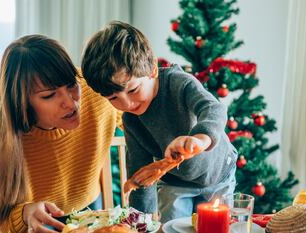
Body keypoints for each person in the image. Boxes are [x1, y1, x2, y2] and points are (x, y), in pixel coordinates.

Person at [81, 21, 237, 223]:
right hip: (175, 183)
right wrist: (140, 223)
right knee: (171, 227)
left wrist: (200, 139)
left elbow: (213, 108)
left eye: (133, 90)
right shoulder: (131, 121)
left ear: (153, 69)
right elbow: (141, 174)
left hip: (219, 174)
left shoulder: (179, 83)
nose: (127, 103)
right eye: (113, 98)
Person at [0, 35, 122, 233]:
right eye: (49, 95)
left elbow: (139, 114)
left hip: (91, 207)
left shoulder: (93, 91)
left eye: (71, 86)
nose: (71, 103)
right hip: (38, 222)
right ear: (22, 102)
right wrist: (25, 213)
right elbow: (4, 219)